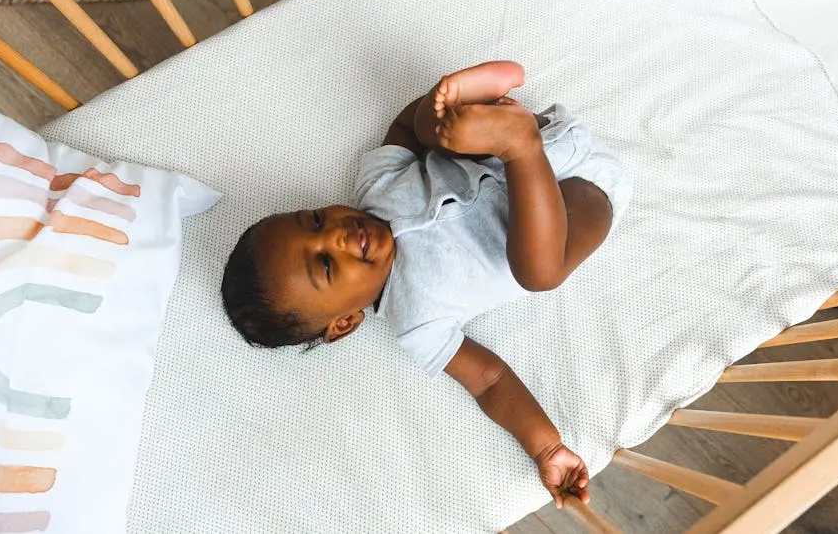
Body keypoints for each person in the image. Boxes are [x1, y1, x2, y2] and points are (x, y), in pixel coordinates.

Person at [222, 61, 632, 506]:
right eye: (325, 265)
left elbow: (403, 127)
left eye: (317, 219)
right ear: (344, 323)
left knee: (429, 131)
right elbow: (490, 381)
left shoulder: (376, 187)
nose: (336, 235)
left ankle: (489, 113)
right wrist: (547, 447)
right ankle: (518, 144)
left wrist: (437, 113)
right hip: (582, 198)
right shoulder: (415, 322)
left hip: (545, 137)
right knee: (538, 272)